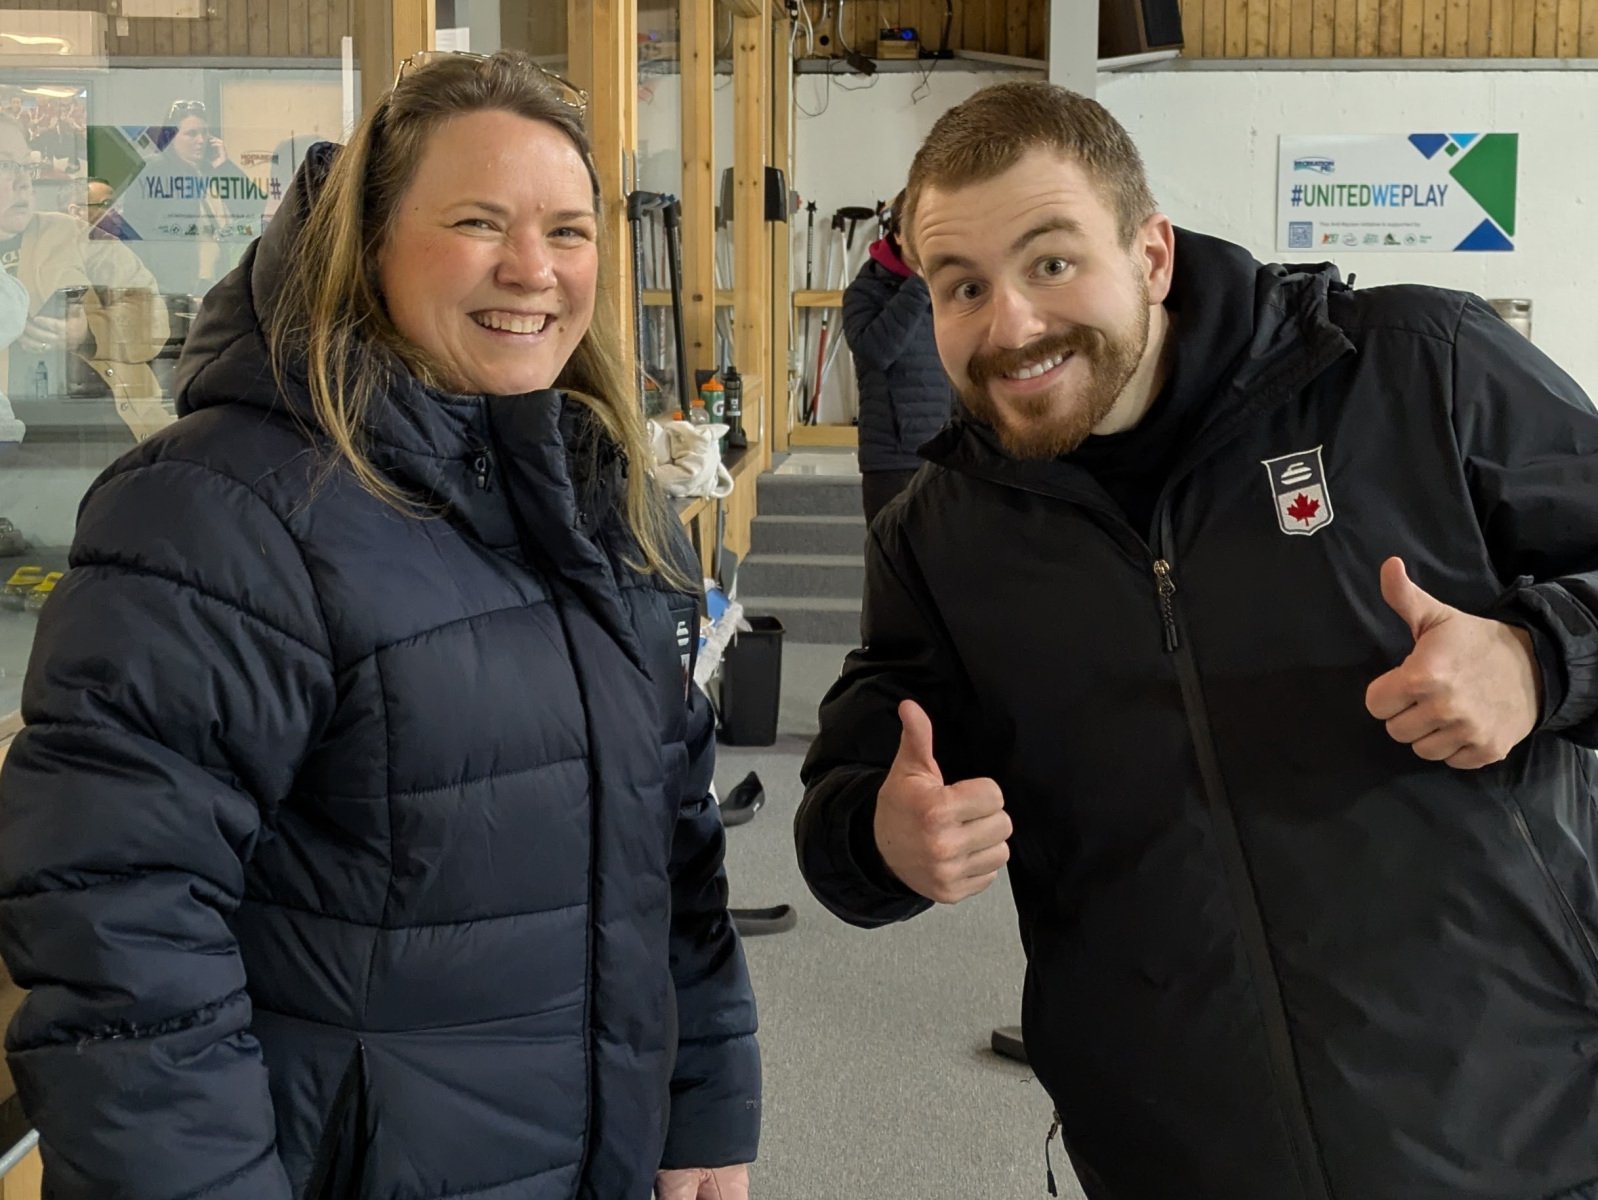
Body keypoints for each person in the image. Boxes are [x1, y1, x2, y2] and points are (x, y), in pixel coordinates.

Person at [796, 80, 1598, 1200]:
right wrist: (882, 837)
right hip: (1169, 1158)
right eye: (963, 285)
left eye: (1051, 261)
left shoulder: (1418, 367)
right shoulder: (939, 538)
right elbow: (852, 796)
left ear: (1152, 254)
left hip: (1525, 1135)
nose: (1011, 325)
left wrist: (1538, 661)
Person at [0, 50, 759, 1200]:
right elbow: (120, 933)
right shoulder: (216, 509)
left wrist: (702, 1102)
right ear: (365, 246)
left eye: (567, 230)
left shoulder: (600, 497)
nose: (533, 268)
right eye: (477, 221)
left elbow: (674, 840)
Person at [0, 117, 171, 442]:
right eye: (6, 166)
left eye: (27, 167)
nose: (24, 183)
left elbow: (154, 313)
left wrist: (88, 332)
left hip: (91, 428)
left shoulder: (72, 233)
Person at [842, 191, 954, 525]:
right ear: (898, 233)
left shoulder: (952, 286)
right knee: (893, 553)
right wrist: (919, 283)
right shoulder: (866, 290)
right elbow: (876, 352)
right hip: (894, 460)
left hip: (951, 452)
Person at [115, 98, 265, 300]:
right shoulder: (154, 169)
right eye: (191, 134)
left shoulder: (213, 169)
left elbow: (255, 209)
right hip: (174, 286)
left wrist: (224, 166)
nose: (201, 140)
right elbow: (134, 231)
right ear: (171, 137)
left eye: (204, 132)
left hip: (220, 281)